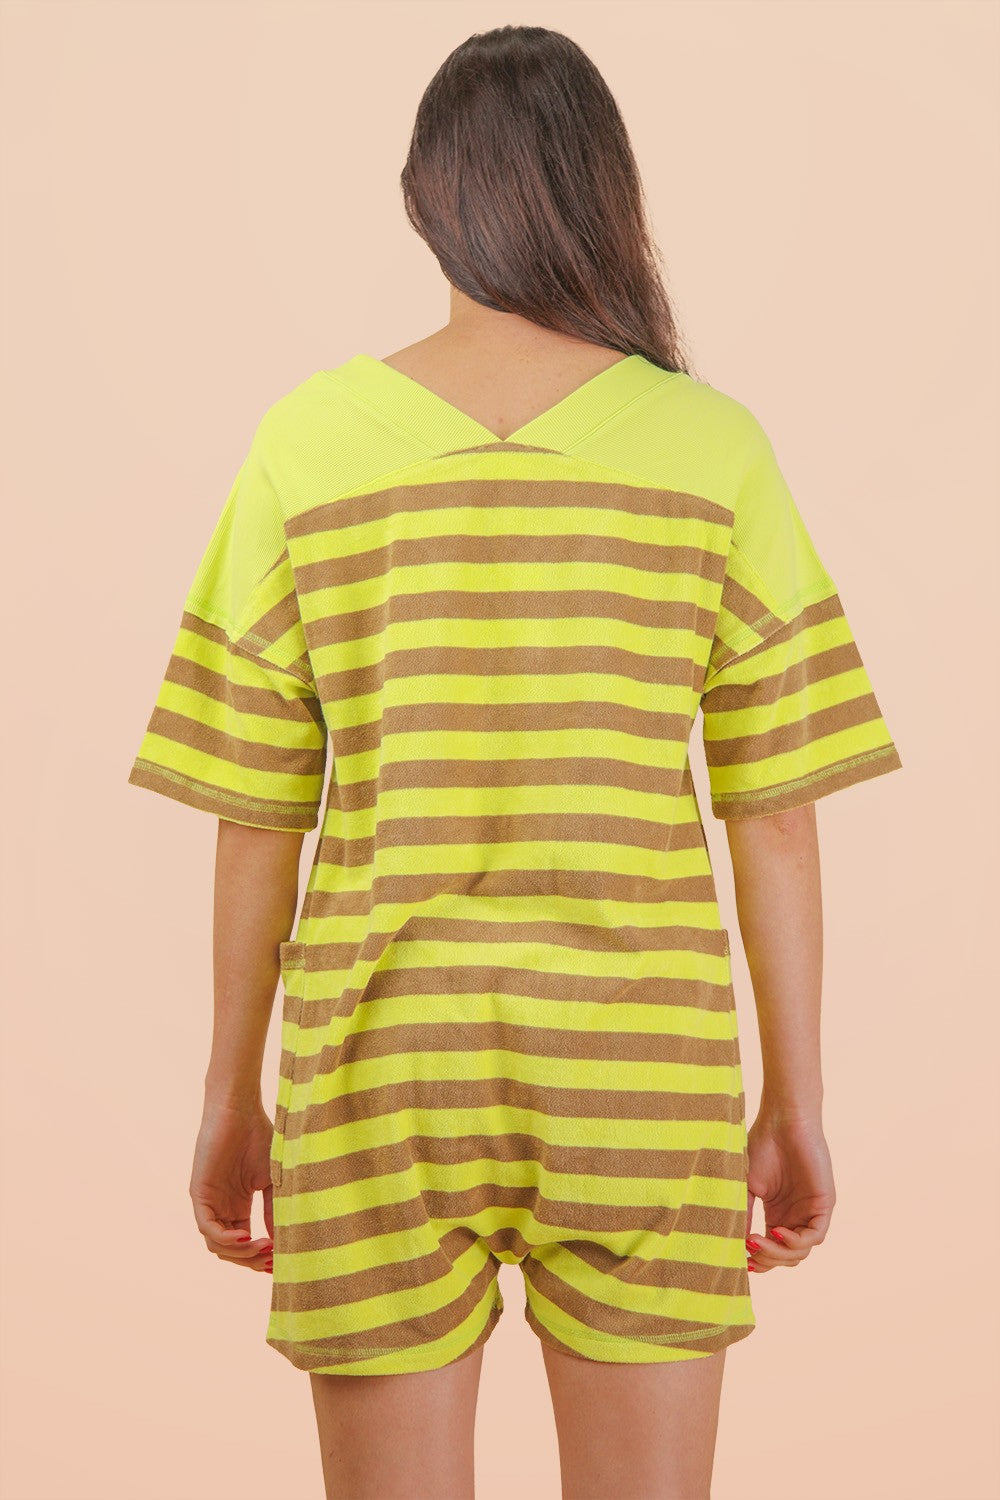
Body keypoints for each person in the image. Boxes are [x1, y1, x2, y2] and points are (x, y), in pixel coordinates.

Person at [127, 23, 902, 1500]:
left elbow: (256, 813)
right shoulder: (710, 447)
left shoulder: (311, 442)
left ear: (426, 199)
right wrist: (794, 1101)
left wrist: (232, 1094)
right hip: (641, 1065)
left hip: (379, 1064)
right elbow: (775, 815)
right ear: (607, 194)